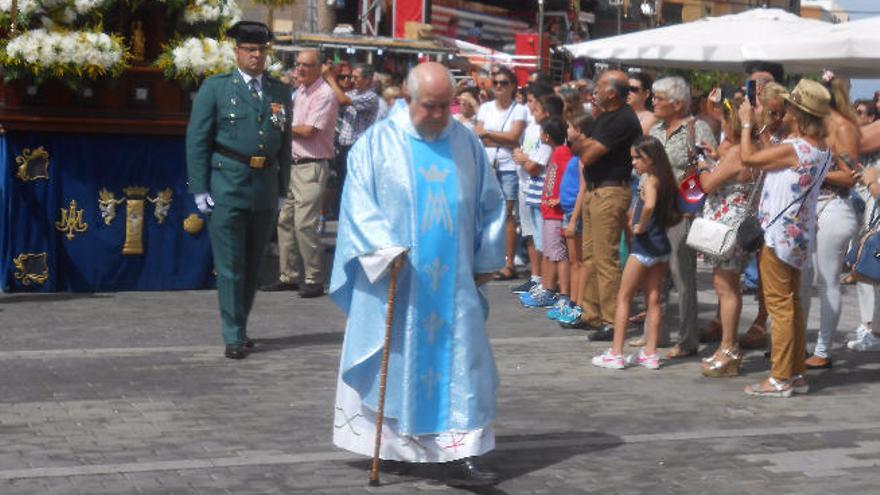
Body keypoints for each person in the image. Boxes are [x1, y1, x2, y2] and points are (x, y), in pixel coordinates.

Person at [330, 62, 506, 487]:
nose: (441, 114)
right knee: (398, 361)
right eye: (431, 106)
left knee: (460, 361)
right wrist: (382, 251)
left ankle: (458, 453)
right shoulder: (376, 145)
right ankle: (395, 446)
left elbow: (491, 204)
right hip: (398, 281)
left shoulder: (466, 144)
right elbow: (357, 205)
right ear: (408, 100)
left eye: (446, 106)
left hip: (454, 284)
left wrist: (486, 259)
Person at [185, 21, 292, 359]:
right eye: (249, 50)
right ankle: (233, 334)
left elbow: (284, 143)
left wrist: (282, 186)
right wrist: (199, 187)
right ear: (237, 52)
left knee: (252, 264)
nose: (256, 56)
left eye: (261, 50)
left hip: (263, 186)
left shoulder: (278, 92)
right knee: (230, 264)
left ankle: (241, 325)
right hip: (228, 183)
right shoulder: (216, 89)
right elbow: (197, 141)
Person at [739, 79, 832, 398]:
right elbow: (773, 160)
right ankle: (795, 372)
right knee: (791, 305)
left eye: (790, 106)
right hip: (800, 234)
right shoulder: (821, 149)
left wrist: (747, 123)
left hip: (778, 234)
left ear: (798, 112)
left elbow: (749, 158)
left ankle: (779, 377)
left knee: (780, 307)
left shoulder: (796, 148)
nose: (786, 110)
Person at [592, 136, 680, 369]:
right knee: (654, 298)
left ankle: (616, 352)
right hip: (661, 245)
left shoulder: (651, 180)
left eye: (637, 158)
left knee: (624, 297)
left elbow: (649, 204)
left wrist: (639, 224)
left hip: (645, 245)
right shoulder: (665, 179)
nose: (633, 163)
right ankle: (650, 352)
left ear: (650, 159)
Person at [571, 70, 642, 341]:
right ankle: (592, 313)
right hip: (594, 191)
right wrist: (582, 143)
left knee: (605, 259)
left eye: (599, 86)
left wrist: (581, 143)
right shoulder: (604, 117)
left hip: (610, 191)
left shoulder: (622, 118)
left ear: (612, 92)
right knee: (589, 256)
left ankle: (612, 320)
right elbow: (582, 147)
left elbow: (587, 155)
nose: (594, 90)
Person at [648, 76, 717, 358]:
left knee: (682, 276)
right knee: (654, 274)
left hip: (681, 211)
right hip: (654, 209)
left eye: (659, 97)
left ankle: (687, 339)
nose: (653, 102)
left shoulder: (697, 129)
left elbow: (709, 168)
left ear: (677, 104)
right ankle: (655, 333)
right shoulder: (655, 130)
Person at [264, 48, 339, 297]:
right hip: (293, 164)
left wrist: (282, 125)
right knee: (284, 221)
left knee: (304, 224)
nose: (300, 70)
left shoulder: (324, 94)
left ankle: (314, 277)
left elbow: (309, 131)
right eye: (298, 65)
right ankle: (290, 274)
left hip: (312, 164)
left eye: (306, 65)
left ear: (320, 68)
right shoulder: (300, 92)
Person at [695, 99, 759, 377]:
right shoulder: (756, 148)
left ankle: (729, 348)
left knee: (725, 287)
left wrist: (703, 168)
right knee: (730, 284)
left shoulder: (735, 152)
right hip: (739, 223)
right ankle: (728, 347)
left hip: (726, 225)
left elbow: (708, 184)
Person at [802, 74, 860, 370]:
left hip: (833, 207)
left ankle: (823, 350)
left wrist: (813, 172)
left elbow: (851, 176)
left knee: (827, 281)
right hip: (810, 208)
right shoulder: (814, 126)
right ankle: (797, 343)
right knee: (802, 280)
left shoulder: (843, 127)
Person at [475, 66, 528, 281]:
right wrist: (495, 136)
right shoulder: (486, 108)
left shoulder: (519, 110)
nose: (498, 86)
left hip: (508, 168)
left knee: (507, 215)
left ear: (513, 86)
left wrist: (488, 134)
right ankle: (485, 258)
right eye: (495, 82)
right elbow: (479, 136)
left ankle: (508, 262)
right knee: (484, 212)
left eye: (503, 83)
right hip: (487, 165)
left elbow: (515, 137)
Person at [325, 62, 380, 218]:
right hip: (344, 146)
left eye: (355, 77)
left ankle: (349, 214)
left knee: (353, 183)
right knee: (341, 180)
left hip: (358, 147)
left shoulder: (371, 97)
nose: (351, 80)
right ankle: (339, 211)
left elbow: (342, 100)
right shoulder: (353, 93)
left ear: (368, 79)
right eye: (350, 77)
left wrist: (330, 78)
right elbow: (334, 97)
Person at [555, 113, 595, 326]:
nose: (567, 130)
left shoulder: (583, 158)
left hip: (574, 213)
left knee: (579, 262)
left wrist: (574, 220)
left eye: (570, 127)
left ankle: (579, 304)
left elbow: (583, 188)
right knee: (574, 261)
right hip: (569, 210)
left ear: (579, 130)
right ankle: (573, 301)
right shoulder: (576, 154)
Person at [535, 116, 573, 316]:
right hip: (549, 211)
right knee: (552, 253)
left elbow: (569, 176)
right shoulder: (555, 153)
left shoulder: (562, 152)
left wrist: (560, 198)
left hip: (556, 212)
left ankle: (565, 295)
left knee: (559, 255)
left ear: (547, 136)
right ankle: (553, 291)